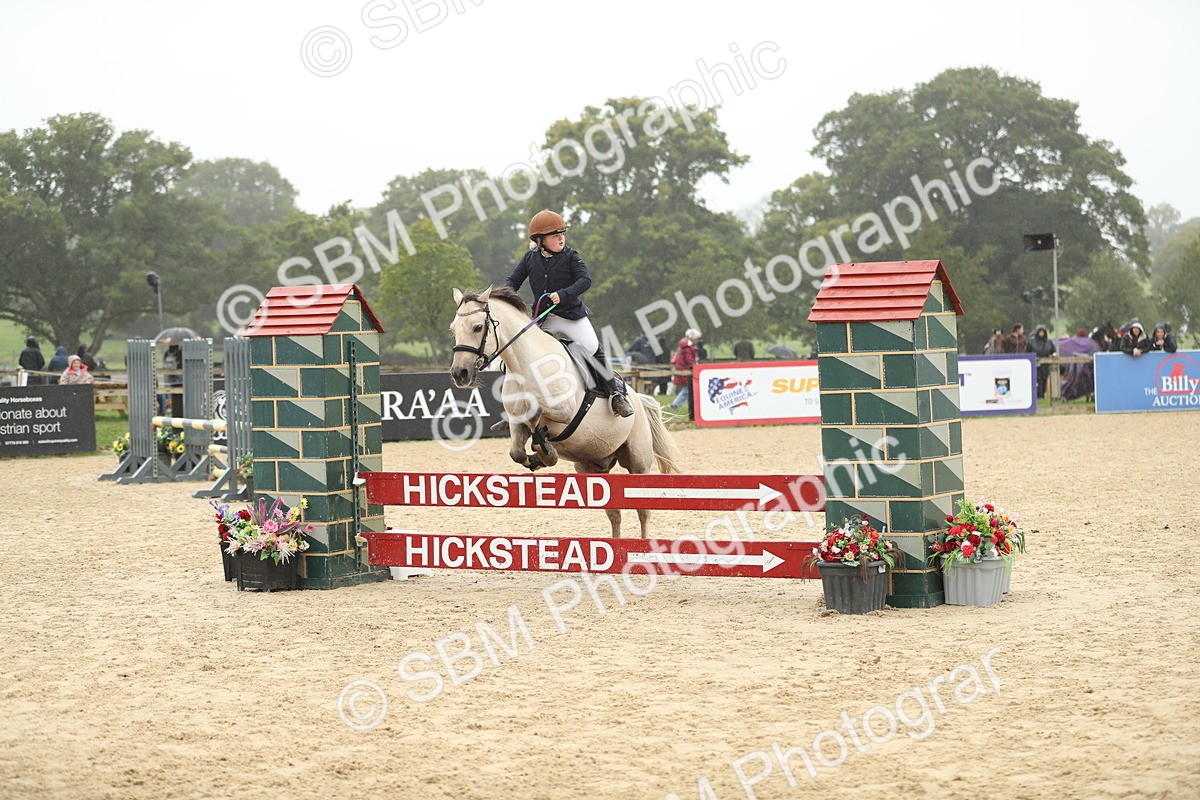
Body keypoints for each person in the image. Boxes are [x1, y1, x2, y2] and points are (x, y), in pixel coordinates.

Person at [505, 210, 633, 417]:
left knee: (592, 346)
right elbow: (513, 282)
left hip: (571, 316)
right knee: (521, 351)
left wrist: (563, 295)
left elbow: (585, 280)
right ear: (540, 240)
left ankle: (615, 395)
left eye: (562, 234)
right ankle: (519, 408)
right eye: (555, 235)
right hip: (544, 319)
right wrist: (502, 299)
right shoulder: (530, 258)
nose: (561, 238)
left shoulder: (572, 256)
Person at [668, 329, 701, 411]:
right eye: (696, 338)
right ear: (692, 337)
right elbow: (689, 361)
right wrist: (695, 367)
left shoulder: (684, 346)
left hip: (682, 370)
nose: (697, 340)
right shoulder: (688, 347)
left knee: (688, 389)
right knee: (688, 389)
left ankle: (684, 406)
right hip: (686, 371)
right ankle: (676, 405)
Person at [1026, 325, 1056, 399]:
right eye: (1040, 332)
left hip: (1046, 365)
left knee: (1044, 379)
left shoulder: (1049, 342)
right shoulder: (1031, 341)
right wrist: (1032, 358)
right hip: (1035, 365)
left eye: (1043, 332)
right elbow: (1027, 352)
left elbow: (1053, 351)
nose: (1041, 333)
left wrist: (1053, 355)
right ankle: (1038, 396)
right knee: (1037, 380)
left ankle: (1042, 394)